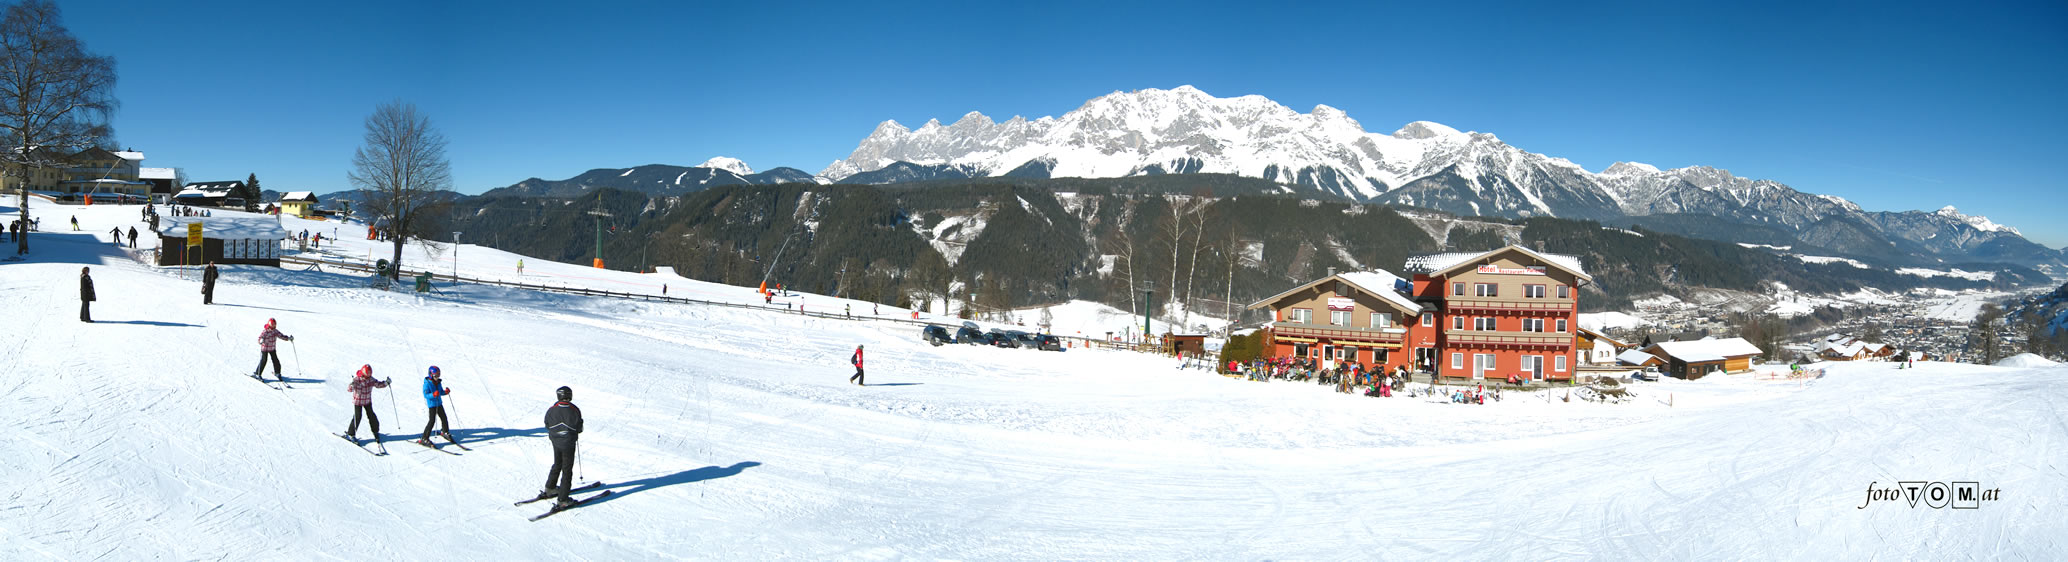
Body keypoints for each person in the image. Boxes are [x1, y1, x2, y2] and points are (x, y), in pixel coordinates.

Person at [540, 386, 584, 508]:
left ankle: (550, 488)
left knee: (557, 463)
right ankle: (563, 499)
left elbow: (547, 424)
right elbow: (579, 428)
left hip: (556, 441)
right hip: (568, 442)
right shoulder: (574, 409)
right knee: (567, 469)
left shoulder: (552, 409)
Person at [344, 365, 391, 442]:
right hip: (358, 401)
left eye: (369, 374)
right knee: (358, 417)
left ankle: (375, 431)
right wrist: (351, 385)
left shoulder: (371, 379)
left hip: (367, 401)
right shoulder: (357, 380)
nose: (368, 376)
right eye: (367, 375)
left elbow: (378, 384)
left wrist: (386, 383)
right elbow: (349, 389)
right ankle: (351, 434)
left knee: (371, 415)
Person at [417, 366, 453, 446]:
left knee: (444, 417)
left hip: (439, 403)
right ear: (431, 375)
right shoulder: (427, 384)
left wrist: (445, 392)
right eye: (435, 376)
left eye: (438, 375)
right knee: (432, 421)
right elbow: (426, 395)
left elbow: (440, 392)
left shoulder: (438, 382)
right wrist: (433, 394)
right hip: (432, 405)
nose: (437, 377)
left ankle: (445, 431)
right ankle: (424, 438)